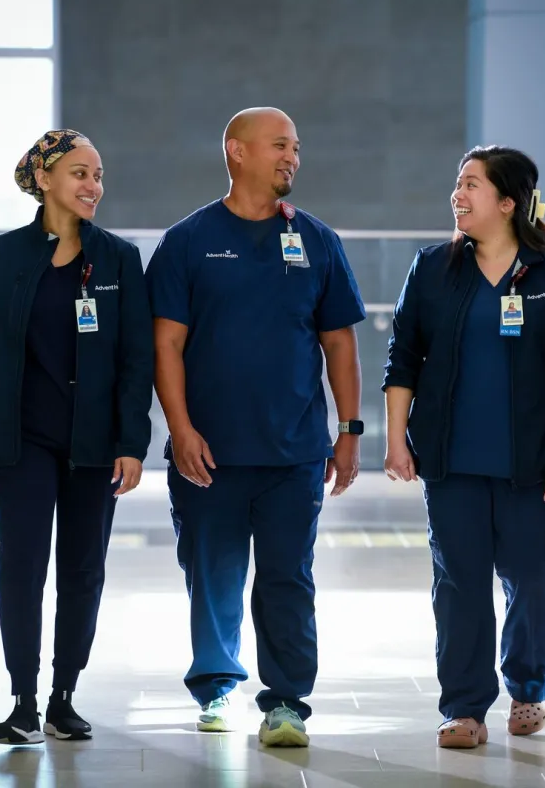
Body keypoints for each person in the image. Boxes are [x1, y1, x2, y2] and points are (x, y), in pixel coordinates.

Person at [145, 107, 366, 747]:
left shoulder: (317, 240)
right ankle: (216, 689)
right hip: (207, 452)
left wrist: (349, 430)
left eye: (296, 146)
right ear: (236, 152)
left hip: (294, 452)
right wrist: (180, 428)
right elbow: (166, 345)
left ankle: (288, 702)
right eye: (278, 146)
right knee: (211, 573)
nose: (291, 157)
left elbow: (340, 344)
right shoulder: (188, 240)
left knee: (287, 577)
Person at [382, 146, 545, 749]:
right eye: (457, 183)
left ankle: (528, 687)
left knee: (531, 577)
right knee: (459, 583)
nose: (458, 195)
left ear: (508, 202)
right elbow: (402, 358)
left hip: (532, 462)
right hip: (452, 460)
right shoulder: (432, 269)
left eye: (471, 185)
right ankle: (465, 708)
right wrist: (397, 436)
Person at [0, 129, 155, 745]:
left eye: (98, 175)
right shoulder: (2, 257)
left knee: (83, 568)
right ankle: (21, 700)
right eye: (79, 173)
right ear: (43, 179)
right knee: (20, 566)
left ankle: (63, 697)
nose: (93, 185)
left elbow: (135, 359)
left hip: (94, 443)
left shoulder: (120, 259)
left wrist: (132, 441)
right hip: (22, 440)